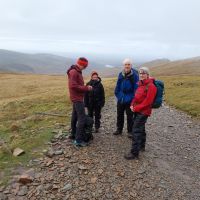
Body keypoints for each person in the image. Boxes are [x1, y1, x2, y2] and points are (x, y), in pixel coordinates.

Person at [124, 67, 157, 160]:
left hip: (144, 112)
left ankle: (134, 153)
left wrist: (136, 107)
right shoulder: (140, 84)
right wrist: (132, 104)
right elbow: (136, 97)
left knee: (136, 130)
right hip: (137, 110)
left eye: (143, 73)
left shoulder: (151, 86)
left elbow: (148, 102)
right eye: (140, 73)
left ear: (147, 74)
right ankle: (142, 146)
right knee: (140, 129)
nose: (141, 75)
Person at [67, 57, 93, 147]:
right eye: (85, 66)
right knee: (81, 118)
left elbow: (75, 85)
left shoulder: (76, 71)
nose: (84, 68)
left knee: (74, 116)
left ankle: (73, 134)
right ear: (81, 65)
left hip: (76, 98)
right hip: (77, 99)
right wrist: (86, 88)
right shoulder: (74, 72)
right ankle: (78, 140)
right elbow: (73, 86)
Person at [114, 58, 139, 137]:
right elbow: (118, 85)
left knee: (130, 116)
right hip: (121, 98)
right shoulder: (121, 74)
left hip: (130, 99)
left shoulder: (135, 75)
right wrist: (118, 95)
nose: (127, 66)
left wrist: (133, 98)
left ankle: (130, 131)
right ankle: (119, 129)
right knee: (119, 114)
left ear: (131, 65)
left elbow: (136, 88)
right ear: (123, 65)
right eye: (126, 64)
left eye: (128, 64)